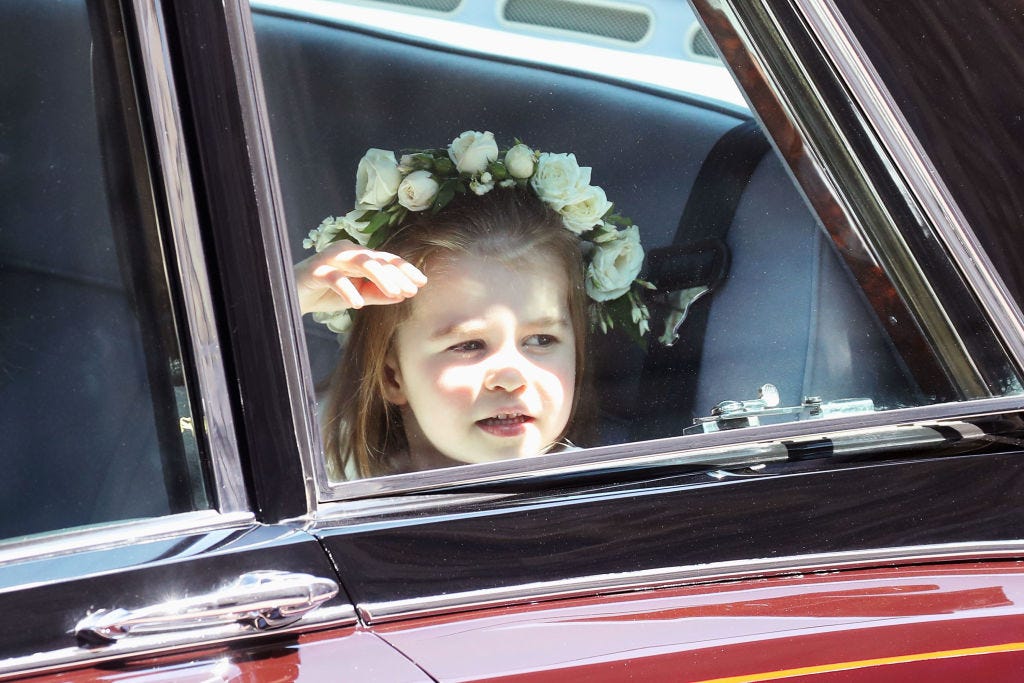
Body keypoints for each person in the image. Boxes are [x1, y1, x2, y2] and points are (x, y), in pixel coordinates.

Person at [294, 131, 650, 479]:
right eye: (468, 345)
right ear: (392, 376)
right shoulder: (321, 484)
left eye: (541, 340)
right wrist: (292, 296)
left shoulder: (606, 491)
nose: (511, 378)